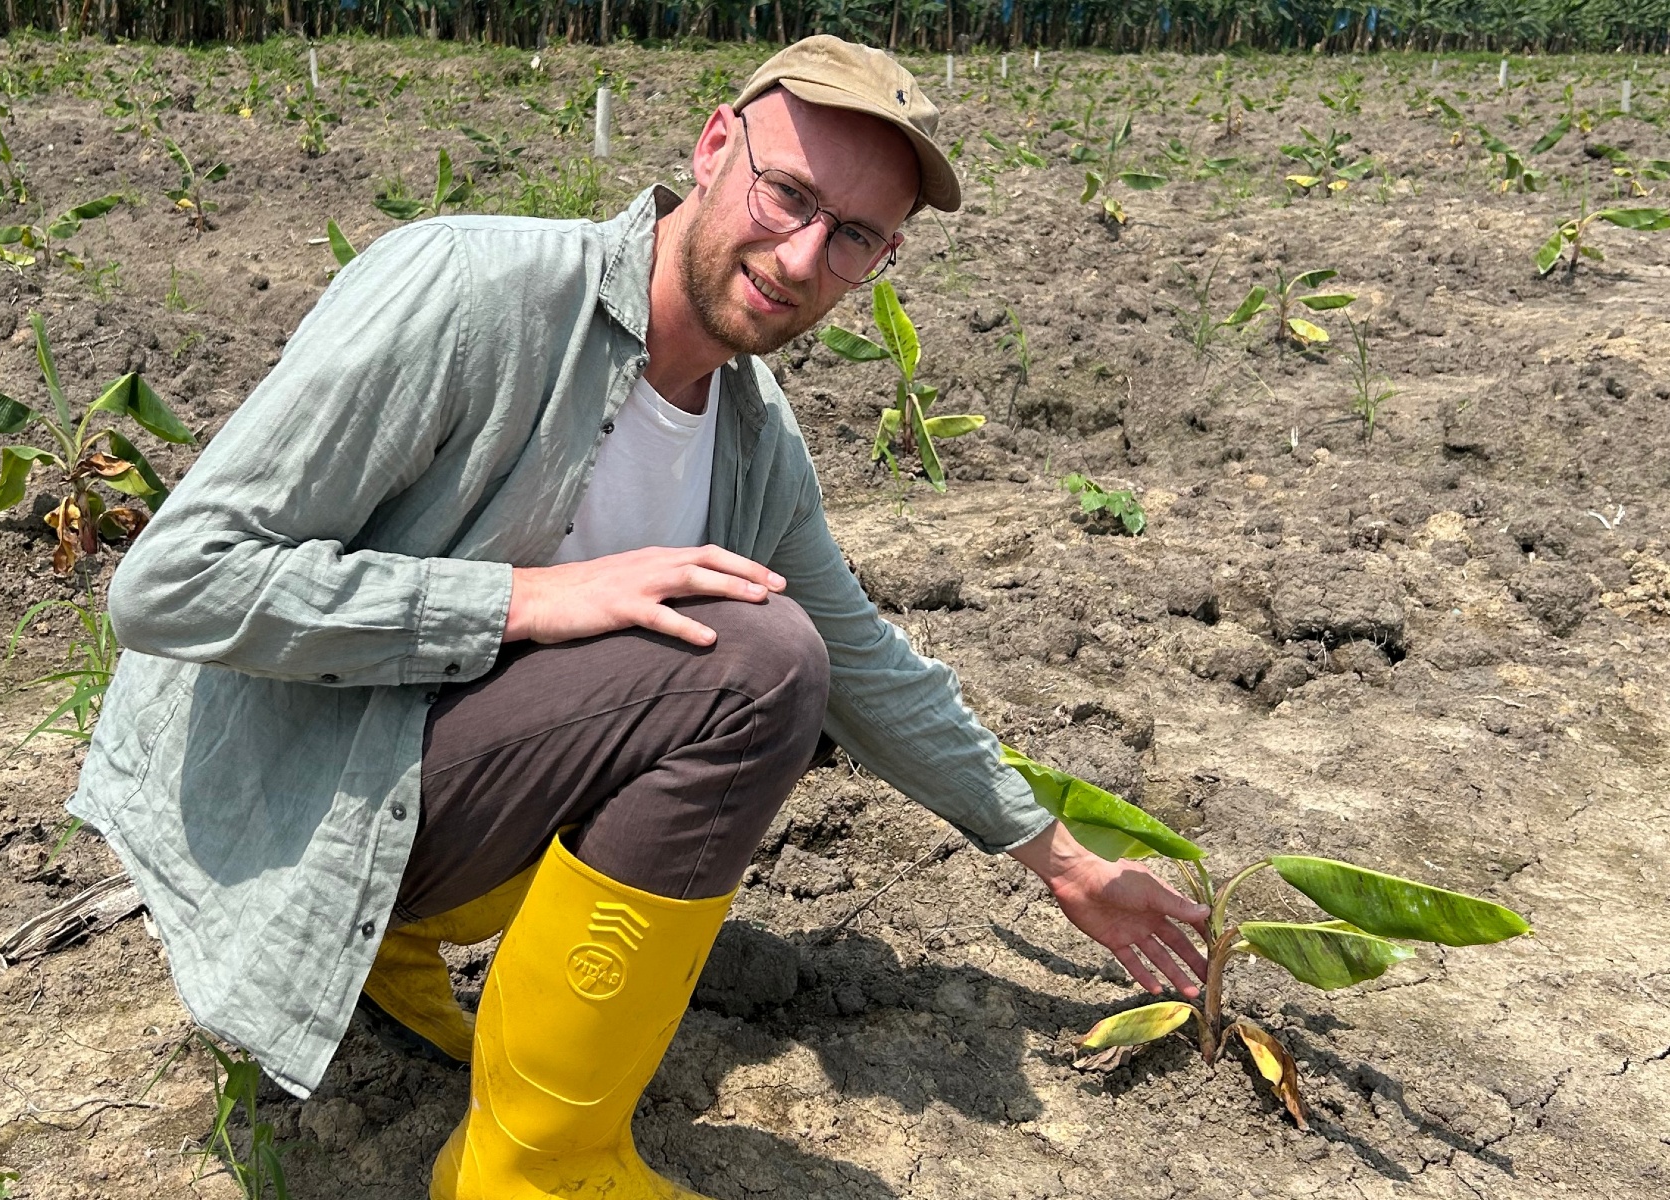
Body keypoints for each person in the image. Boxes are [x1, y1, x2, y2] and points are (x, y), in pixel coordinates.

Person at [72, 35, 1210, 1200]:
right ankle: (533, 1172)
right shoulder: (473, 292)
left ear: (883, 259)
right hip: (282, 796)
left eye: (854, 236)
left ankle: (411, 966)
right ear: (715, 147)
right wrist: (524, 599)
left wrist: (1062, 860)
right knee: (751, 665)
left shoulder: (754, 440)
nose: (802, 256)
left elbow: (868, 665)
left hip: (424, 779)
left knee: (758, 659)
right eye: (788, 194)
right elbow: (173, 582)